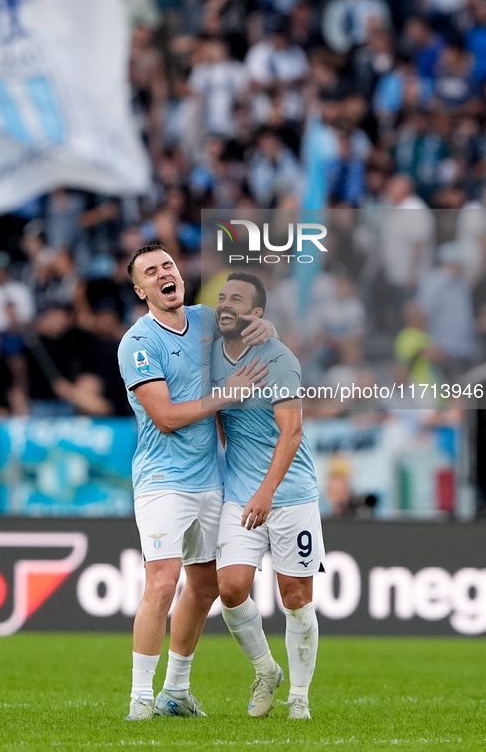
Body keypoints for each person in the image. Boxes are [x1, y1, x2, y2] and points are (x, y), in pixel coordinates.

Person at [117, 243, 272, 721]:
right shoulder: (138, 343)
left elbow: (253, 334)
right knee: (162, 584)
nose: (164, 273)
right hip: (163, 480)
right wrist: (225, 397)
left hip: (210, 480)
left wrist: (264, 329)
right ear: (141, 290)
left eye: (168, 265)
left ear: (179, 275)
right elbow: (163, 417)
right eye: (151, 271)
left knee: (203, 587)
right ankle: (140, 700)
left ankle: (176, 692)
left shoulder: (206, 320)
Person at [211, 272, 324, 720]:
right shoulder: (209, 359)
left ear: (256, 314)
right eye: (221, 296)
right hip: (241, 493)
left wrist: (266, 491)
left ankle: (299, 696)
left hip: (290, 494)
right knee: (231, 588)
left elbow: (292, 432)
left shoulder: (280, 360)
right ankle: (265, 669)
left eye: (236, 299)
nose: (224, 303)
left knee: (295, 597)